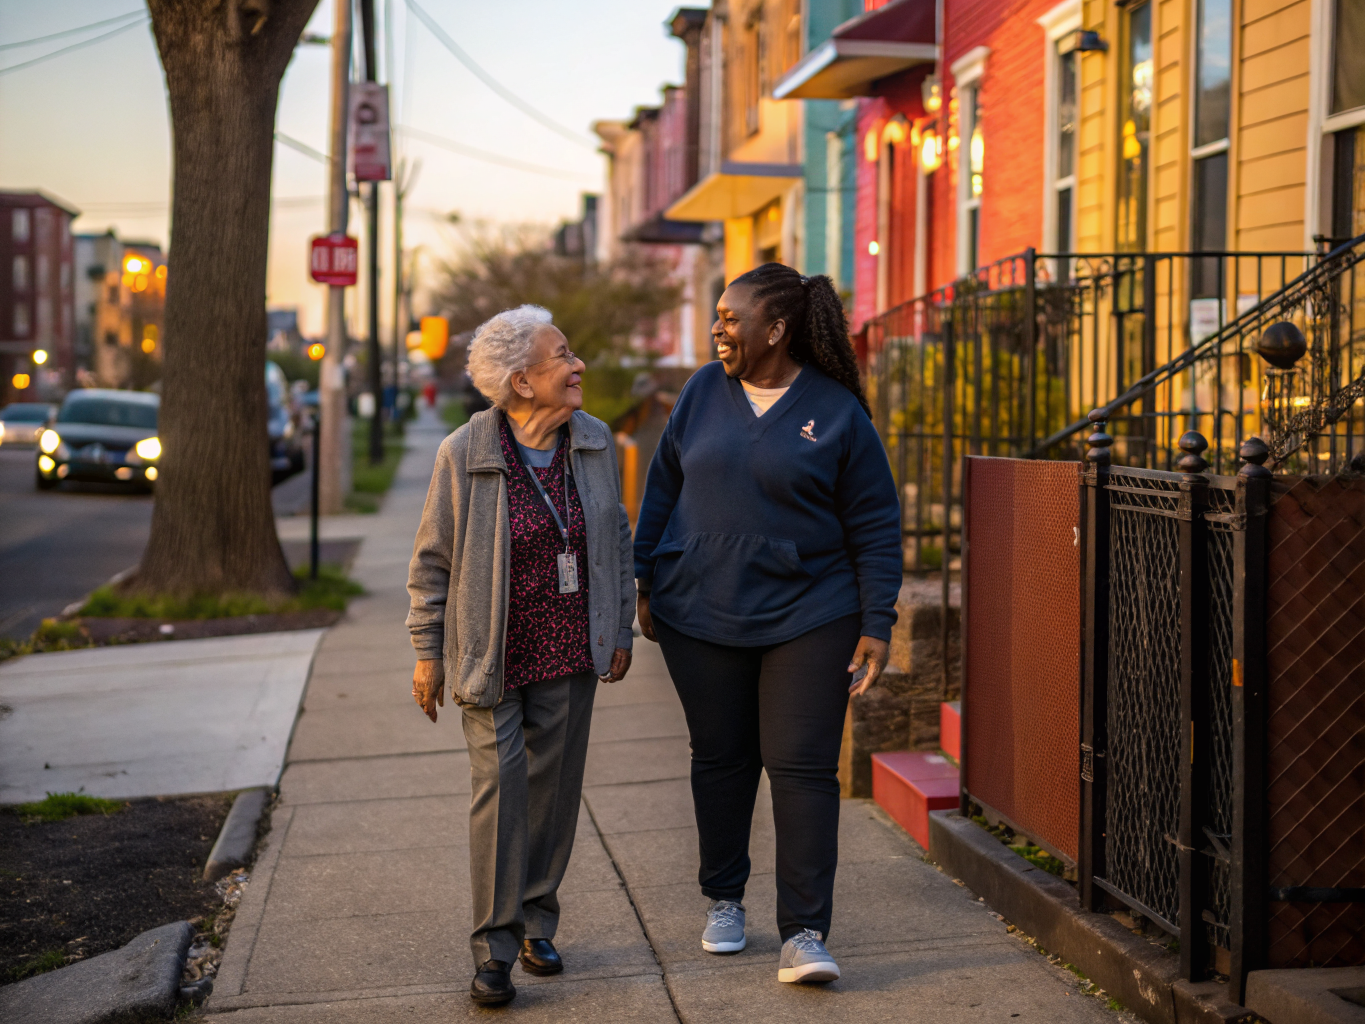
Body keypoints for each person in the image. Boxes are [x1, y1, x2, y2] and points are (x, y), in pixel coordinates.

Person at [634, 263, 902, 984]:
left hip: (810, 612)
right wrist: (645, 576)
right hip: (700, 609)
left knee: (801, 767)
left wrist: (876, 618)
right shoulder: (699, 392)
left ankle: (805, 932)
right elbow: (662, 485)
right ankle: (724, 899)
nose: (716, 329)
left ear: (775, 328)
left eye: (729, 318)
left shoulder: (836, 409)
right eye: (716, 317)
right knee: (720, 760)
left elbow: (874, 521)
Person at [406, 305, 636, 1006]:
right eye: (562, 356)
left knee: (553, 793)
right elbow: (432, 560)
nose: (578, 367)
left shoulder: (592, 442)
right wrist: (426, 652)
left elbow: (617, 540)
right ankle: (494, 948)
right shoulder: (464, 452)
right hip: (491, 652)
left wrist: (619, 626)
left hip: (569, 645)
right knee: (501, 792)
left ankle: (538, 919)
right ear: (521, 382)